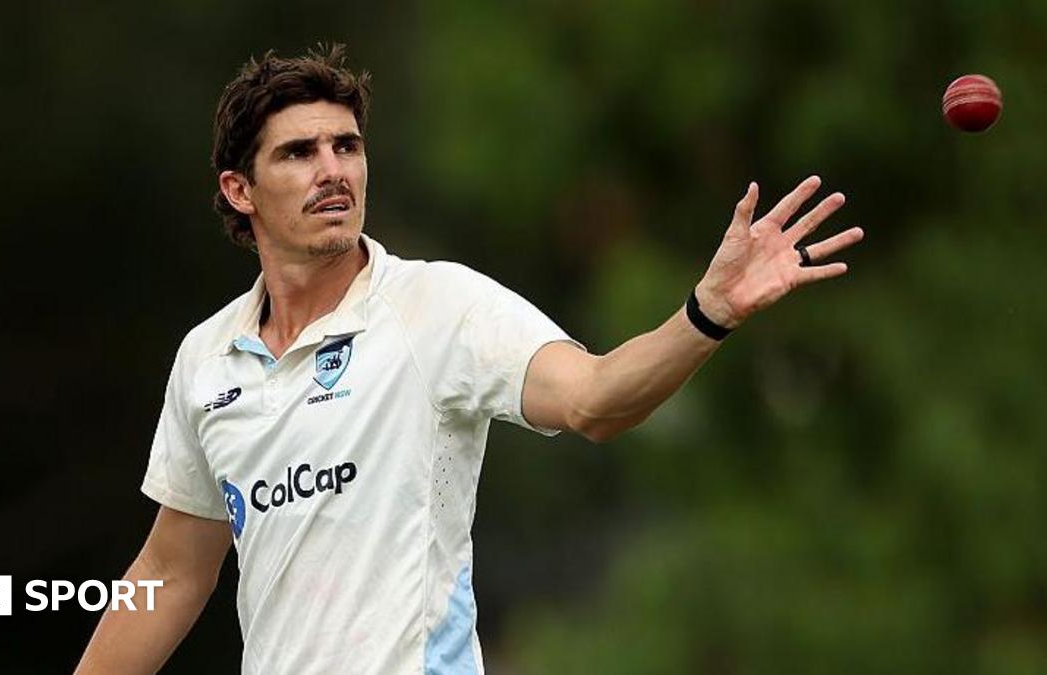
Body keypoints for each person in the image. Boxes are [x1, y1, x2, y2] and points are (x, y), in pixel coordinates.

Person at [74, 44, 864, 674]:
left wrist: (707, 313)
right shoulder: (208, 358)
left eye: (347, 146)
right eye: (299, 153)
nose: (333, 170)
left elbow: (595, 398)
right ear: (239, 189)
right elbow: (172, 573)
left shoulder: (438, 307)